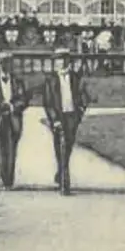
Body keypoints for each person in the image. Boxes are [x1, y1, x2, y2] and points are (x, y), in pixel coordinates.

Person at [42, 48, 90, 195]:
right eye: (58, 59)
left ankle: (61, 173)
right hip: (58, 117)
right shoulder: (50, 79)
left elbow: (84, 96)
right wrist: (55, 120)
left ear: (68, 61)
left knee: (67, 147)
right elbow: (48, 102)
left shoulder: (75, 78)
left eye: (64, 59)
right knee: (61, 148)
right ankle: (65, 185)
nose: (61, 62)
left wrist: (80, 111)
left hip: (71, 117)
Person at [0, 52, 29, 191]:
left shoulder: (18, 81)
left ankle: (8, 181)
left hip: (12, 119)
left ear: (11, 65)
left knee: (11, 150)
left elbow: (24, 99)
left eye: (7, 63)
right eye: (1, 63)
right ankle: (1, 177)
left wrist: (12, 107)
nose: (4, 66)